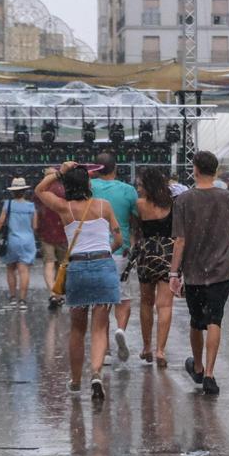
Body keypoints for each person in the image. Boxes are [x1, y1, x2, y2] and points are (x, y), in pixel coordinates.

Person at [34, 162, 122, 401]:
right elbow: (119, 238)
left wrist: (58, 173)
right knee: (100, 326)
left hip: (78, 267)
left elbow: (39, 191)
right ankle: (96, 372)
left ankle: (75, 380)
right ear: (88, 184)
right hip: (104, 264)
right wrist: (106, 250)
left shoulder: (65, 208)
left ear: (67, 185)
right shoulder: (104, 206)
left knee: (77, 328)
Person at [169, 150, 229, 396]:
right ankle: (209, 375)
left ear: (195, 170)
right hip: (221, 270)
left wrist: (174, 274)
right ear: (215, 171)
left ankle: (197, 366)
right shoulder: (227, 198)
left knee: (197, 321)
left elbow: (180, 241)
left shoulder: (183, 201)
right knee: (214, 319)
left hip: (194, 272)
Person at [91, 152, 139, 363]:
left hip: (94, 251)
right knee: (123, 298)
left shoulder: (89, 187)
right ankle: (120, 329)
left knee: (101, 302)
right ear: (115, 168)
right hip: (121, 251)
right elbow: (137, 217)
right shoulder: (128, 191)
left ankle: (106, 349)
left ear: (96, 169)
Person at [134, 167, 176, 368]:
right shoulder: (172, 204)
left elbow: (137, 229)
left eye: (140, 184)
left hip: (146, 253)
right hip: (168, 253)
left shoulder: (140, 204)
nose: (138, 188)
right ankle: (161, 350)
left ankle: (147, 346)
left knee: (146, 302)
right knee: (165, 304)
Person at [0, 177, 37, 310]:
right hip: (28, 240)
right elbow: (35, 226)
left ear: (13, 192)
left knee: (10, 269)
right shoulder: (31, 206)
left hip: (12, 240)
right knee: (24, 271)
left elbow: (1, 221)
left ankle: (13, 298)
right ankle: (23, 301)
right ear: (25, 191)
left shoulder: (8, 205)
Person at [34, 175, 69, 309]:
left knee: (49, 264)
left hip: (46, 233)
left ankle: (52, 293)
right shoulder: (65, 191)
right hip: (63, 233)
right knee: (61, 266)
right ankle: (58, 294)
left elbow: (37, 212)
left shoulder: (41, 193)